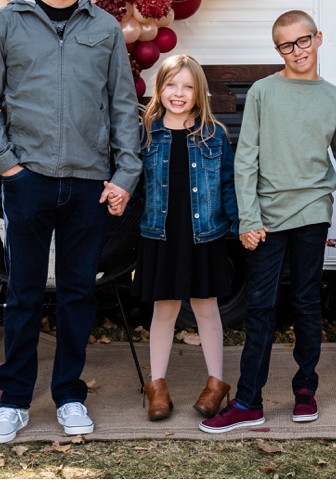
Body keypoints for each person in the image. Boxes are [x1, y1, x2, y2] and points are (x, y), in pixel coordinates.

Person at [0, 0, 141, 444]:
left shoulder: (105, 28)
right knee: (21, 295)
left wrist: (126, 174)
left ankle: (68, 396)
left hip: (89, 182)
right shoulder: (6, 23)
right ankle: (15, 401)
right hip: (29, 180)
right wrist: (7, 165)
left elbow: (122, 107)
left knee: (76, 296)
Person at [201, 10, 336, 433]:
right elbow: (246, 159)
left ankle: (305, 389)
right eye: (287, 45)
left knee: (308, 302)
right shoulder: (263, 92)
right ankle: (248, 401)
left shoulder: (335, 99)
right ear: (278, 50)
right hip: (267, 219)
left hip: (312, 212)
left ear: (319, 38)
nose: (298, 50)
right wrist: (248, 218)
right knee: (261, 307)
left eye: (304, 40)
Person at [134, 54, 236, 422]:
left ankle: (216, 384)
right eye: (171, 85)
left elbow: (227, 186)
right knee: (165, 308)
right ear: (159, 90)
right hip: (160, 232)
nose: (179, 93)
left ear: (199, 93)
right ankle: (157, 386)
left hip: (203, 233)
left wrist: (241, 227)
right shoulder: (146, 134)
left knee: (206, 306)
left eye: (188, 86)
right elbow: (134, 185)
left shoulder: (213, 136)